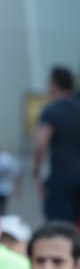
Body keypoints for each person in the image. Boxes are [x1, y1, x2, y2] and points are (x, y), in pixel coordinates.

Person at [37, 67, 80, 222]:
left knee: (60, 229)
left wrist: (36, 173)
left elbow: (41, 144)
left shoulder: (51, 111)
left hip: (62, 178)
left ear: (54, 84)